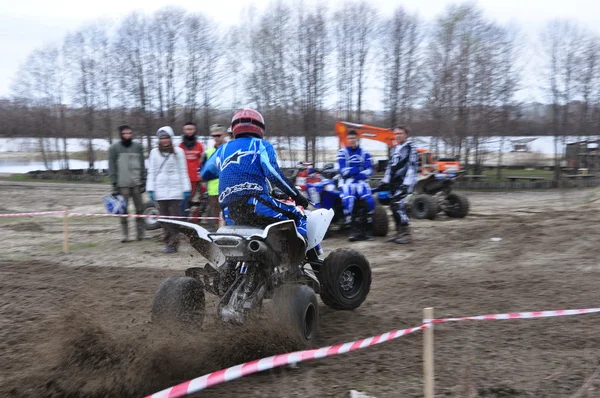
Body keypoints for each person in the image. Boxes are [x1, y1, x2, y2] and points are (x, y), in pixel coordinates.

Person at [200, 108, 310, 240]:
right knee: (298, 215)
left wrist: (229, 171)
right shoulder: (260, 145)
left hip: (229, 211)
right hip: (256, 205)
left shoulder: (222, 149)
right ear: (259, 128)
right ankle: (299, 255)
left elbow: (206, 173)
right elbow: (273, 174)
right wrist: (297, 196)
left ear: (234, 128)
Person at [146, 127, 191, 253]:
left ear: (170, 138)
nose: (164, 140)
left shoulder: (179, 152)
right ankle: (168, 240)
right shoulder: (154, 152)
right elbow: (152, 172)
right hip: (160, 190)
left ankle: (173, 243)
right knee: (163, 219)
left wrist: (186, 188)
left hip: (175, 190)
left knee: (175, 218)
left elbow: (183, 170)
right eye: (162, 138)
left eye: (166, 138)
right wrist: (150, 188)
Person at [377, 126, 418, 244]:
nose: (398, 136)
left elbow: (412, 166)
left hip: (405, 181)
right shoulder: (394, 148)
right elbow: (390, 166)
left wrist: (407, 184)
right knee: (393, 205)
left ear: (406, 134)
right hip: (394, 182)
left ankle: (406, 233)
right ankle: (398, 232)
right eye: (396, 134)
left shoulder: (411, 148)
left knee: (399, 205)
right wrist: (385, 181)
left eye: (400, 133)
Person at [108, 124, 147, 243]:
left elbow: (142, 164)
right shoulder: (114, 148)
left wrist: (143, 180)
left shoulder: (138, 147)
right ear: (121, 134)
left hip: (136, 183)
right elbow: (112, 166)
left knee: (139, 209)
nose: (127, 135)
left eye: (129, 133)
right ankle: (125, 235)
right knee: (123, 210)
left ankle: (141, 234)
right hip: (122, 184)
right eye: (125, 133)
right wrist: (114, 183)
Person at [336, 130, 375, 241]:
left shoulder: (365, 153)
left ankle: (367, 231)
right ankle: (353, 231)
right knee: (349, 201)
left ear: (358, 139)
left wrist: (355, 172)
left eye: (353, 138)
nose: (351, 140)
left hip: (361, 181)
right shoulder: (342, 152)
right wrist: (359, 169)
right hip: (346, 182)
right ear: (347, 140)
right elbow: (343, 171)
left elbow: (370, 170)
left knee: (369, 201)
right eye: (349, 138)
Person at [201, 124, 227, 230]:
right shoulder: (207, 153)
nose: (216, 138)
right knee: (216, 217)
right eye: (214, 136)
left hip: (228, 189)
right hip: (213, 191)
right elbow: (202, 172)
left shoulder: (230, 149)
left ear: (224, 135)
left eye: (218, 135)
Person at [179, 121, 204, 216]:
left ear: (195, 130)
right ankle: (183, 219)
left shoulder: (200, 146)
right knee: (184, 202)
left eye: (191, 129)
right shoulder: (180, 146)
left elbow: (202, 161)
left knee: (196, 203)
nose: (189, 131)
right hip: (184, 179)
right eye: (187, 129)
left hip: (196, 180)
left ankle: (195, 219)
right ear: (184, 130)